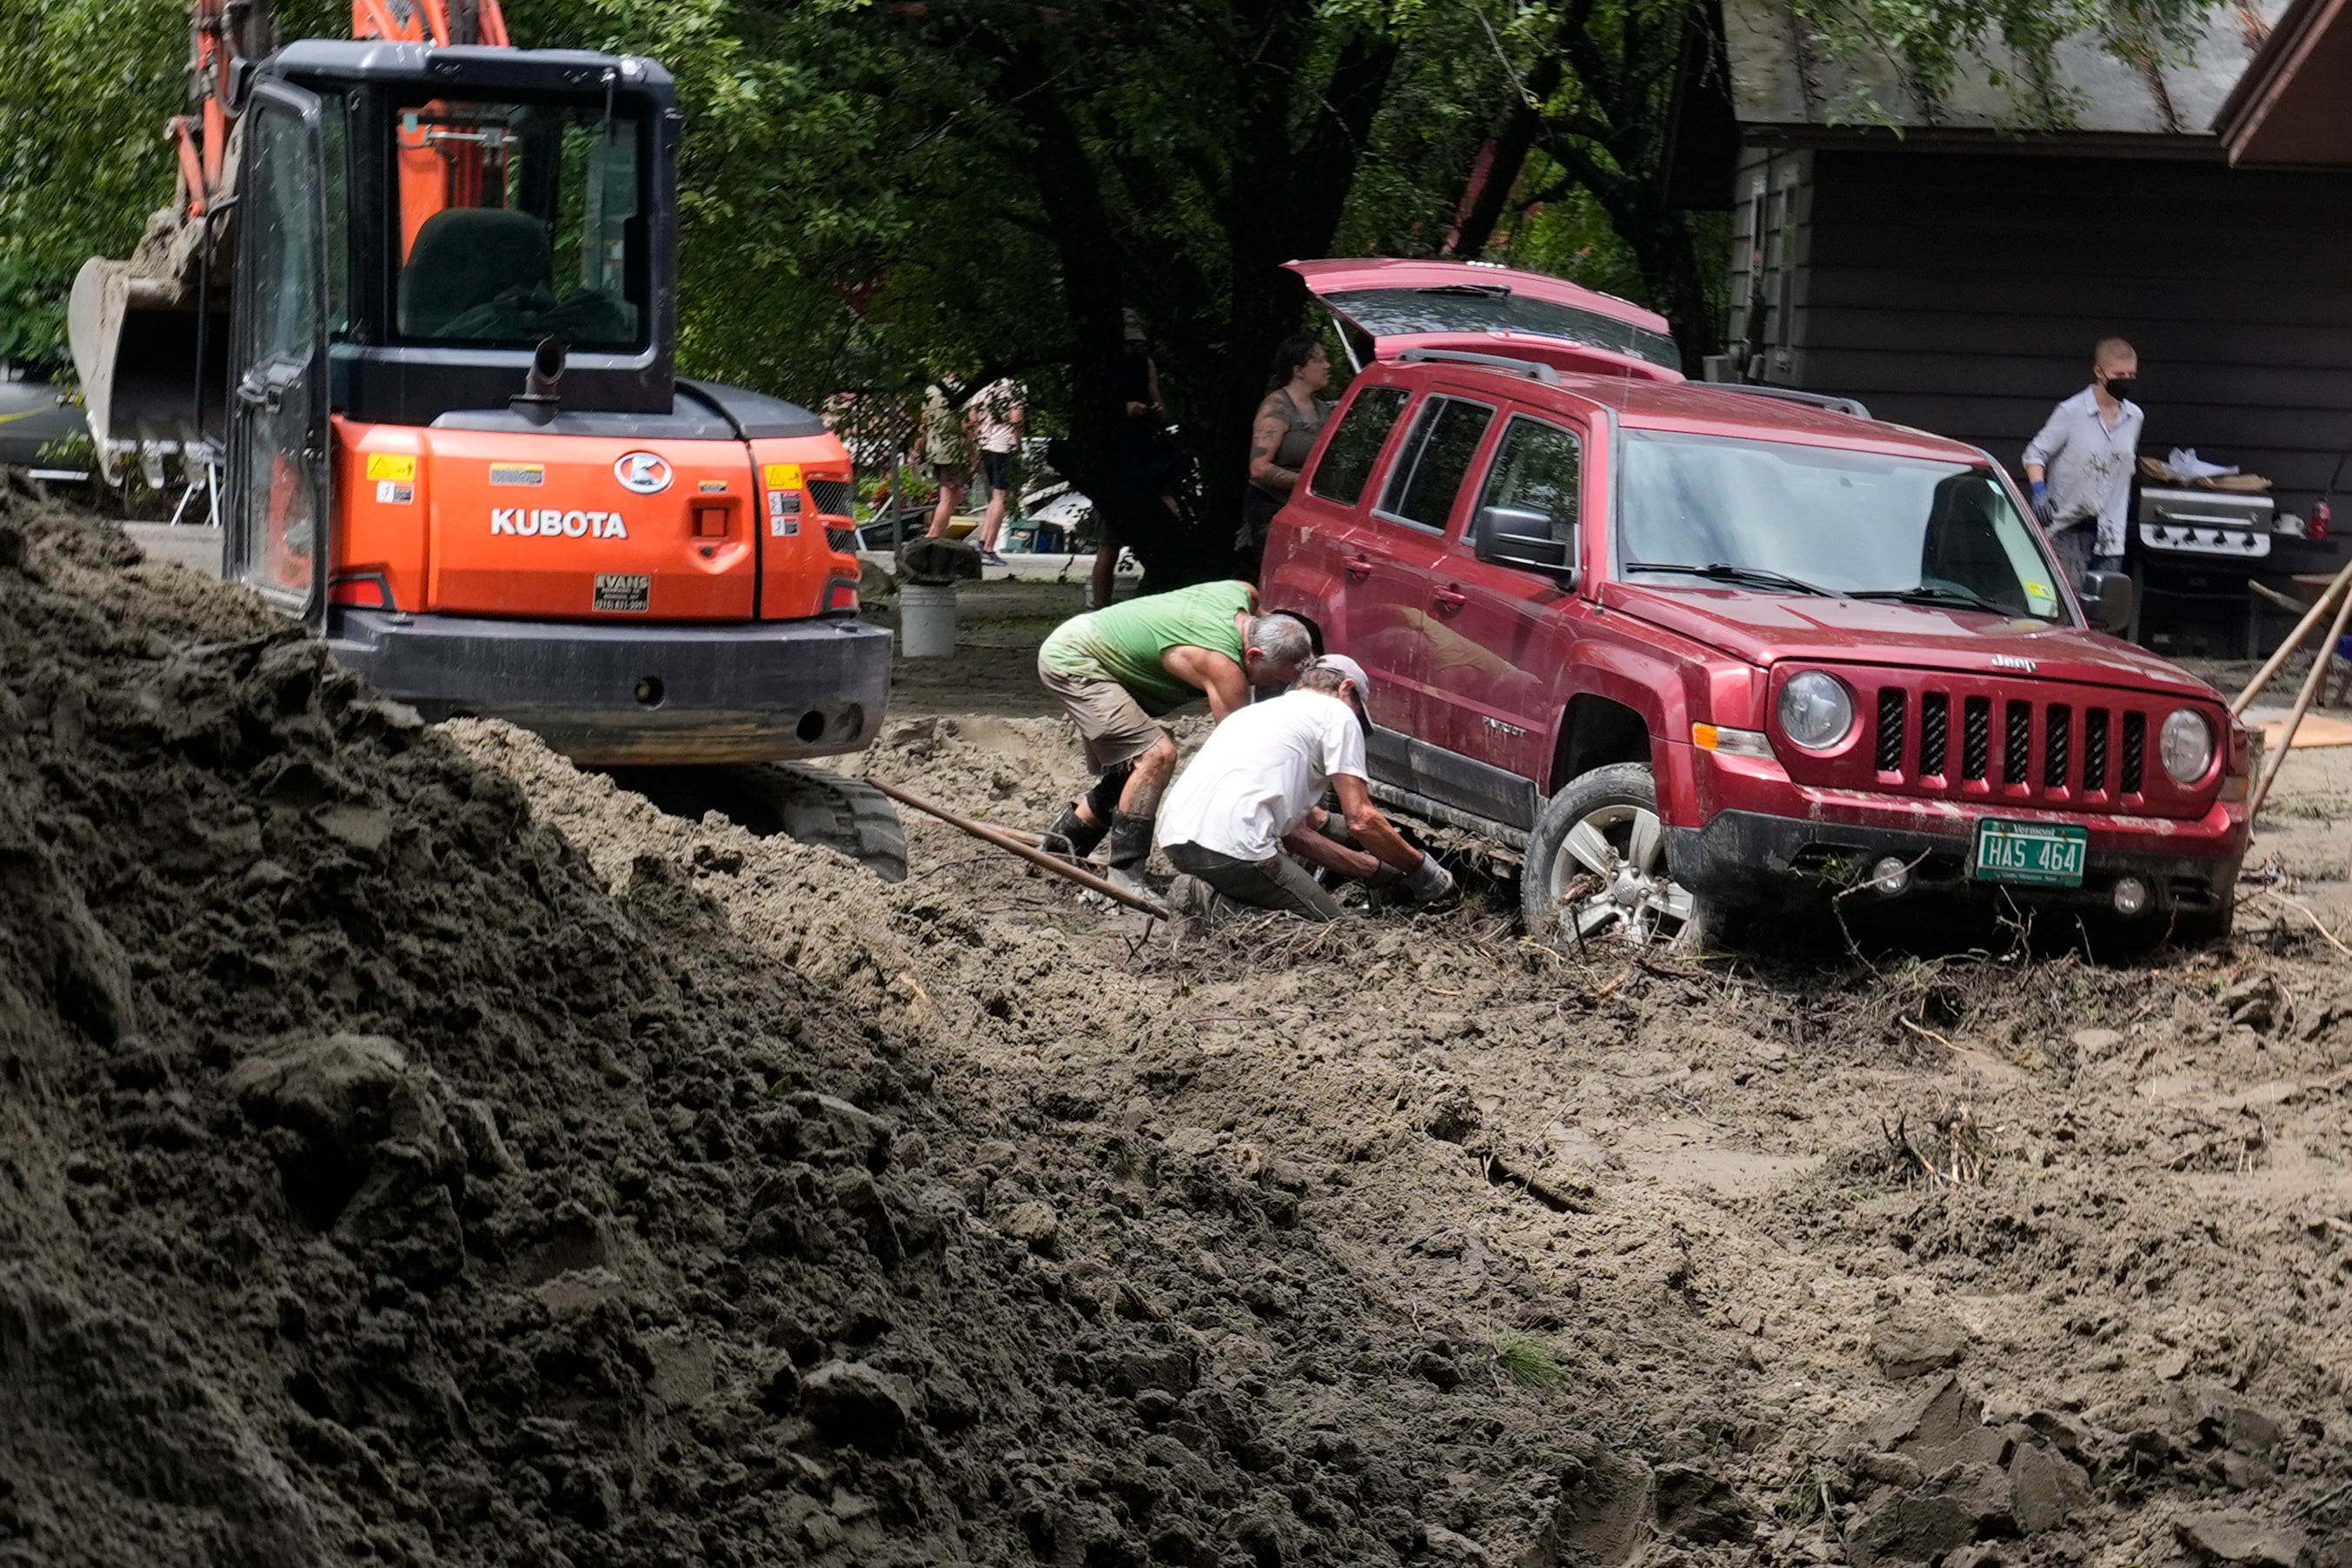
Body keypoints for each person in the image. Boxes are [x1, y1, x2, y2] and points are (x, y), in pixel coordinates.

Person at [1038, 580, 1314, 896]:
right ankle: (1126, 876)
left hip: (1090, 641)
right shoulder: (1223, 667)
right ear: (1252, 655)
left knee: (1134, 770)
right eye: (1276, 680)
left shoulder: (1239, 593)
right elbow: (1244, 748)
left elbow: (1254, 601)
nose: (1275, 689)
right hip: (1075, 661)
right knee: (1156, 756)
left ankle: (1059, 850)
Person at [1158, 654, 1453, 921]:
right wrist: (1422, 871)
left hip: (1176, 841)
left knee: (1284, 891)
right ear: (1346, 689)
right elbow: (1362, 819)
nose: (1357, 722)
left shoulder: (1258, 713)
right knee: (1330, 926)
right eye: (1359, 712)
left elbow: (1297, 837)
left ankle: (1207, 890)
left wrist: (1373, 870)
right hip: (1235, 850)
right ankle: (1217, 906)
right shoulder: (1338, 713)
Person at [2022, 337, 2142, 591]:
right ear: (2099, 372)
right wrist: (2040, 491)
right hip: (2067, 528)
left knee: (2103, 611)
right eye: (2119, 374)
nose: (2126, 380)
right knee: (2070, 608)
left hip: (2110, 533)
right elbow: (2035, 453)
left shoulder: (2134, 417)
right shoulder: (2071, 412)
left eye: (2131, 375)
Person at [1235, 335, 1333, 581]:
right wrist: (1307, 483)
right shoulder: (1276, 407)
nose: (1327, 366)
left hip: (1310, 509)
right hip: (1271, 511)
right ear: (1298, 370)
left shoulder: (1324, 410)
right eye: (1319, 360)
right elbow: (1259, 468)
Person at [967, 378, 1026, 566]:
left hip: (985, 445)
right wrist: (1018, 446)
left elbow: (972, 418)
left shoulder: (983, 386)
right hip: (1003, 446)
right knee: (1000, 497)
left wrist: (974, 448)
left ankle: (983, 540)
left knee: (993, 497)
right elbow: (1016, 418)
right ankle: (990, 548)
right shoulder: (1015, 387)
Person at [920, 382, 970, 540]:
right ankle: (933, 536)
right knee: (947, 499)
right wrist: (973, 451)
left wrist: (920, 446)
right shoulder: (961, 391)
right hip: (951, 451)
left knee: (954, 495)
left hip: (936, 448)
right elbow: (967, 425)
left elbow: (924, 422)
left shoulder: (931, 391)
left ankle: (936, 533)